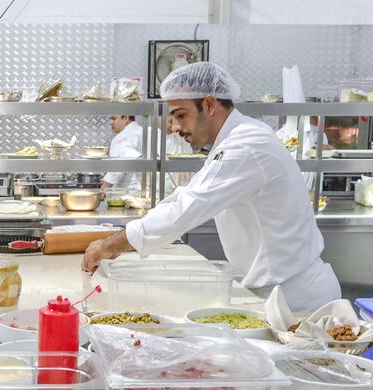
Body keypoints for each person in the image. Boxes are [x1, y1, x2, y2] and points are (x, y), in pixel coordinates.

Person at [82, 62, 341, 313]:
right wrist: (124, 239)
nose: (175, 128)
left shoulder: (245, 146)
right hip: (276, 292)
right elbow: (184, 196)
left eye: (181, 115)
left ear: (209, 104)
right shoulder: (235, 139)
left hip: (296, 302)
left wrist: (111, 245)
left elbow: (187, 207)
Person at [276, 115, 332, 191]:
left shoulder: (318, 134)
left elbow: (323, 163)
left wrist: (328, 151)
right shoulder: (279, 136)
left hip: (312, 191)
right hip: (287, 191)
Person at [100, 115, 143, 193]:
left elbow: (121, 163)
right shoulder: (141, 131)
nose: (111, 123)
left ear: (125, 118)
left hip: (128, 191)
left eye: (114, 119)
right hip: (142, 189)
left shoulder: (124, 136)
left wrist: (105, 186)